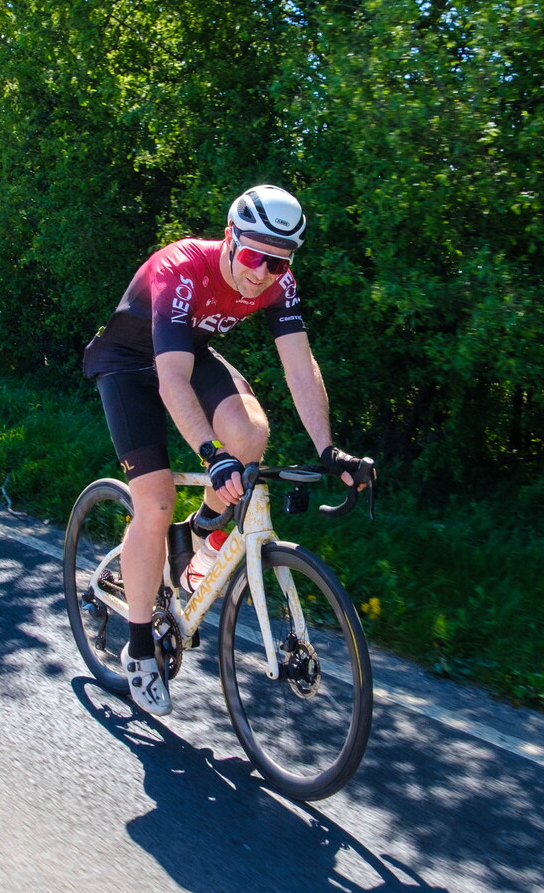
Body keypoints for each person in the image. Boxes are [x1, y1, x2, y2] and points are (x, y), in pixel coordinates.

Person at [82, 185, 373, 717]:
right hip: (129, 367)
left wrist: (329, 449)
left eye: (279, 262)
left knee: (252, 434)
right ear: (231, 237)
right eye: (256, 254)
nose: (263, 272)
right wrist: (210, 453)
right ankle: (140, 644)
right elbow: (170, 379)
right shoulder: (182, 267)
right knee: (156, 501)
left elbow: (300, 366)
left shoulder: (277, 283)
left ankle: (198, 532)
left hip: (187, 355)